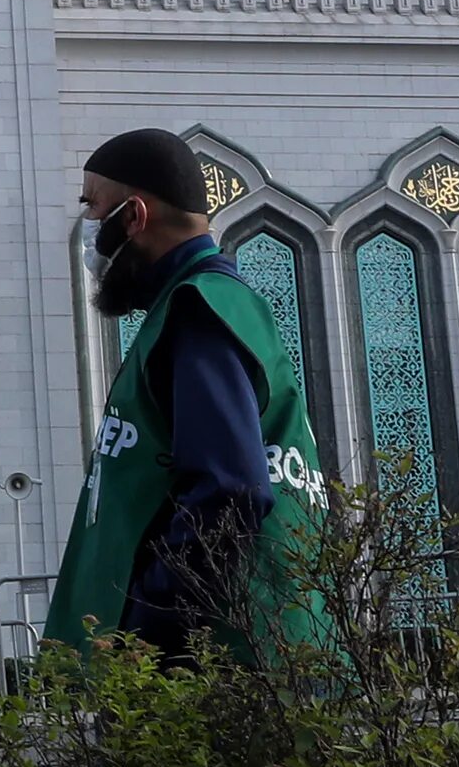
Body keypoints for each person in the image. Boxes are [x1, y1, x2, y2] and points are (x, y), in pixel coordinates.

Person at [46, 128, 327, 659]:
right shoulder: (202, 308)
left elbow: (230, 490)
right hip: (242, 656)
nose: (87, 226)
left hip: (218, 666)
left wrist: (146, 632)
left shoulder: (199, 313)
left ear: (133, 216)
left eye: (92, 205)